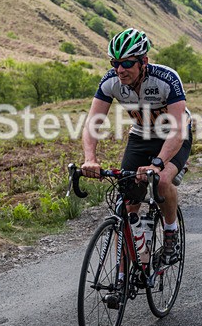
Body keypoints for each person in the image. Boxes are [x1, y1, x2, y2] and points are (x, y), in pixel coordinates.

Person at [81, 28, 192, 266]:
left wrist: (157, 164)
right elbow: (92, 123)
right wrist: (90, 158)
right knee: (127, 203)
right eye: (115, 63)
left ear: (144, 62)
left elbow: (178, 131)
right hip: (140, 135)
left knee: (161, 180)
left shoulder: (166, 79)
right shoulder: (111, 81)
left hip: (173, 136)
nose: (120, 70)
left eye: (127, 63)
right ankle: (124, 277)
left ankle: (171, 235)